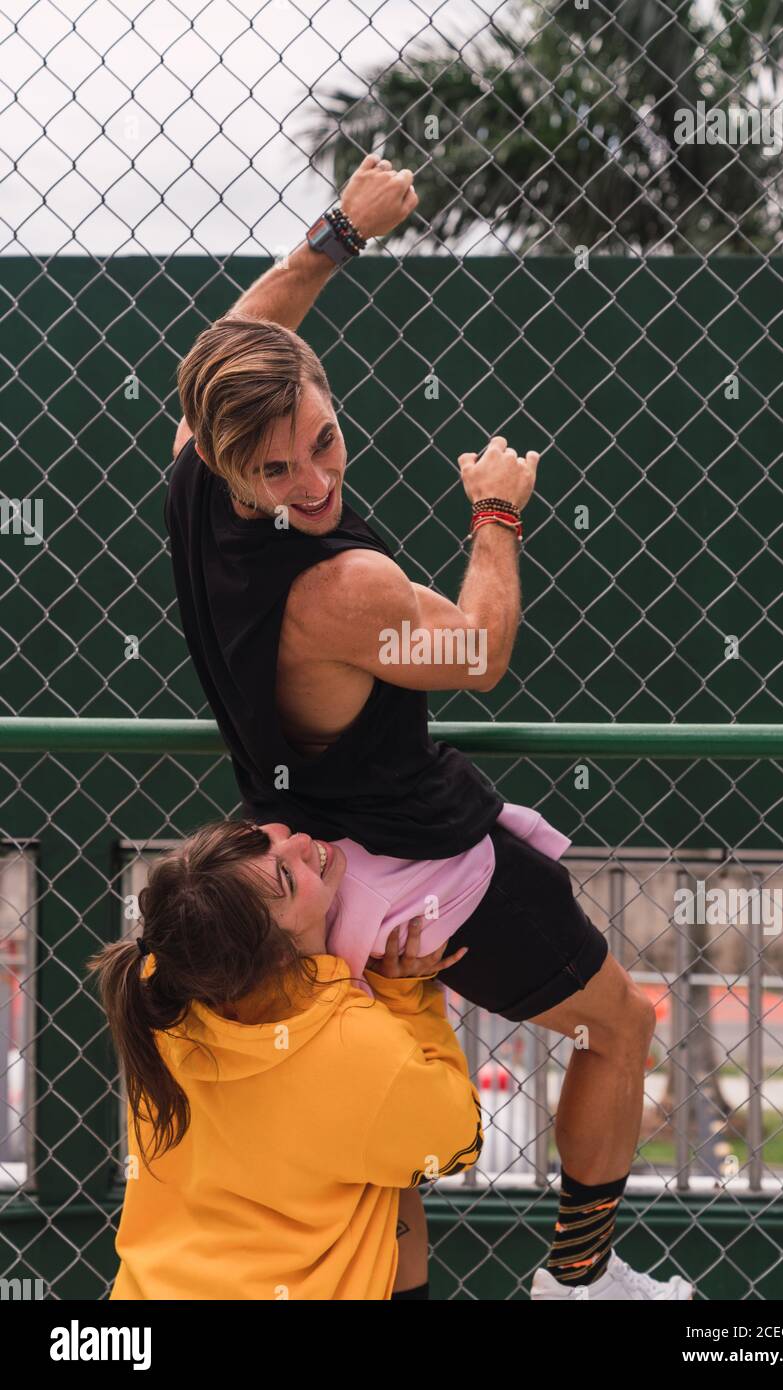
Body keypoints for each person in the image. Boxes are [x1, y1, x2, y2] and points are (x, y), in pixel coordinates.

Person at [165, 152, 694, 1301]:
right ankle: (580, 1283)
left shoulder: (198, 483)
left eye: (322, 439)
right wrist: (497, 513)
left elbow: (240, 338)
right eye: (277, 466)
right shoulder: (347, 585)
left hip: (298, 861)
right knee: (621, 1024)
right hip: (421, 868)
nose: (312, 478)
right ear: (223, 454)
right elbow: (481, 649)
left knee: (383, 1147)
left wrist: (338, 235)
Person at [88, 819, 481, 1300]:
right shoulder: (362, 1048)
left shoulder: (164, 989)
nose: (296, 840)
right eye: (288, 877)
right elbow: (458, 1143)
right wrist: (402, 997)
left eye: (260, 835)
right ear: (275, 957)